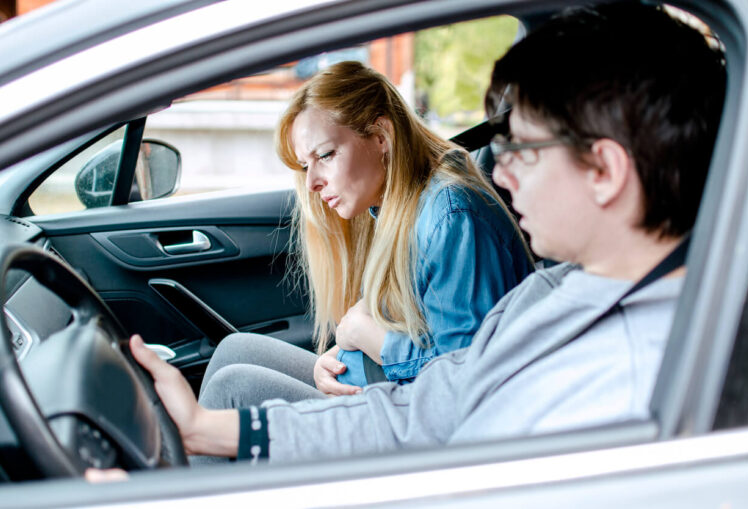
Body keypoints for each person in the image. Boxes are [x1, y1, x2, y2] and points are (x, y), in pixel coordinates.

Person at [118, 2, 725, 466]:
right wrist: (209, 431)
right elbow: (428, 410)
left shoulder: (640, 376)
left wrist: (371, 340)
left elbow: (440, 428)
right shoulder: (557, 291)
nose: (502, 173)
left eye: (523, 150)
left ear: (605, 170)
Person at [194, 60, 533, 439]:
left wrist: (369, 337)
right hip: (380, 388)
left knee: (233, 389)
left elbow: (465, 383)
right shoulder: (392, 202)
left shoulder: (450, 215)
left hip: (413, 422)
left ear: (381, 136)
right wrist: (337, 358)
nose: (312, 184)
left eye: (325, 155)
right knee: (235, 350)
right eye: (306, 165)